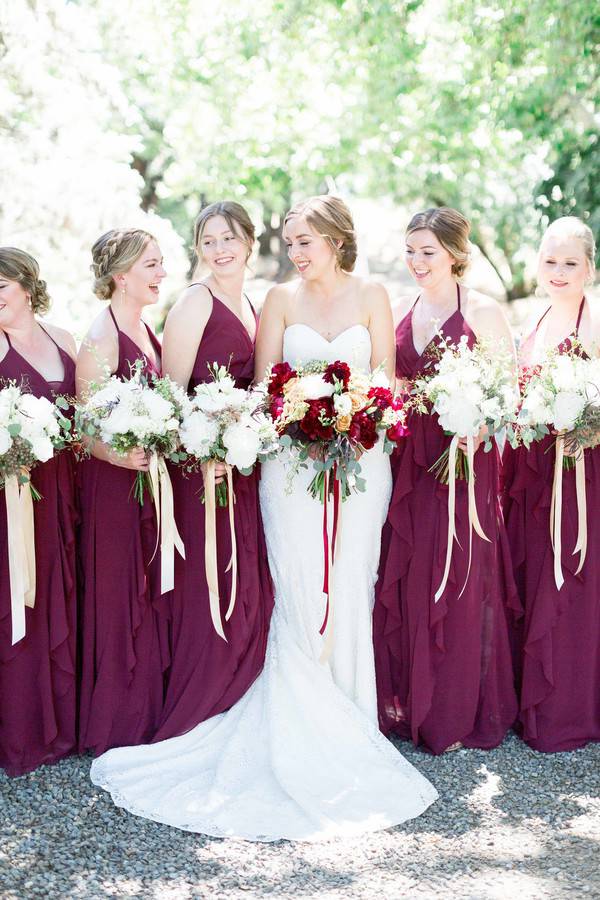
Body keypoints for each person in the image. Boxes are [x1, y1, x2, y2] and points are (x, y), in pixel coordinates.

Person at [90, 195, 437, 842]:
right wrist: (302, 417)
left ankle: (354, 718)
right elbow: (262, 385)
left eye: (305, 240)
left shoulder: (373, 295)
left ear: (335, 239)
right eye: (289, 241)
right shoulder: (277, 300)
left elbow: (387, 383)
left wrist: (357, 414)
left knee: (352, 578)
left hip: (363, 462)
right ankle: (302, 720)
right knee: (300, 585)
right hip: (290, 464)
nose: (295, 253)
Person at [374, 207, 518, 754]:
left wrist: (481, 425)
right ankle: (411, 702)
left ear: (456, 253)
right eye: (410, 251)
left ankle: (455, 708)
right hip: (412, 459)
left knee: (460, 576)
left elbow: (508, 394)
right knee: (411, 571)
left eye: (427, 252)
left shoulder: (482, 311)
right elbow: (389, 384)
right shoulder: (399, 309)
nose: (416, 262)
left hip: (464, 458)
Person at [152, 201, 273, 741]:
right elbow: (171, 397)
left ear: (249, 241)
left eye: (228, 238)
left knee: (244, 577)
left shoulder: (253, 302)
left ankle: (241, 693)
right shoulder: (193, 304)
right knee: (210, 583)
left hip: (242, 465)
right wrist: (205, 449)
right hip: (200, 469)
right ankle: (203, 704)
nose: (220, 250)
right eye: (208, 241)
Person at [502, 216, 600, 751]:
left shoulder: (596, 319)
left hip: (583, 471)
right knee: (536, 570)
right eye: (549, 261)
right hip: (533, 471)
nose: (558, 272)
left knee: (575, 581)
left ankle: (569, 706)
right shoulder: (535, 319)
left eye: (570, 263)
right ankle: (531, 696)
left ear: (590, 268)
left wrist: (584, 422)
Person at [77, 228, 166, 756]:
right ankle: (115, 721)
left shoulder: (144, 327)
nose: (161, 274)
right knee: (116, 593)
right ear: (121, 275)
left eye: (160, 263)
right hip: (112, 487)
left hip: (144, 484)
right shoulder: (101, 337)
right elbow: (84, 431)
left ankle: (144, 709)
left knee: (145, 589)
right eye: (151, 265)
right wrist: (119, 455)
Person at [0, 247, 78, 776]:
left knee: (58, 595)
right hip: (14, 496)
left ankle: (62, 724)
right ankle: (22, 728)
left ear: (26, 287)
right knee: (17, 599)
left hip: (66, 490)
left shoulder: (64, 339)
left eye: (0, 289)